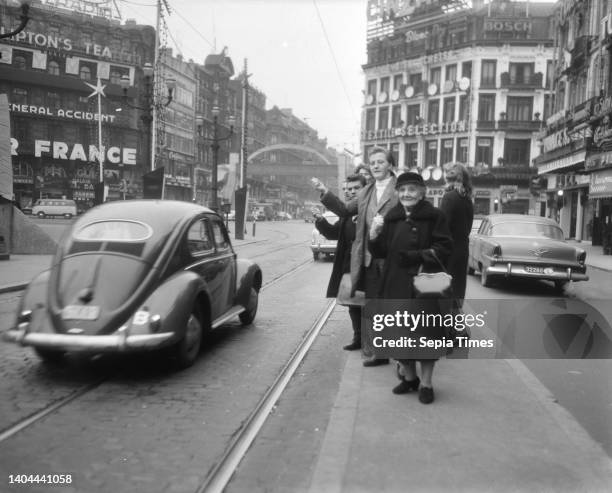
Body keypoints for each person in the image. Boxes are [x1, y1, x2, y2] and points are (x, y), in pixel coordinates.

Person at [369, 172, 453, 404]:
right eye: (403, 189)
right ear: (397, 192)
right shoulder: (391, 217)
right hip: (395, 282)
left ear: (422, 192)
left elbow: (445, 247)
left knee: (424, 336)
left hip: (425, 282)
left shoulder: (435, 216)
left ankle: (426, 384)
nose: (407, 194)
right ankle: (410, 378)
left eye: (412, 189)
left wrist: (416, 256)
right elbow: (381, 252)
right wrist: (374, 237)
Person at [312, 146, 398, 367]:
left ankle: (402, 356)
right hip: (367, 257)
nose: (376, 165)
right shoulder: (367, 191)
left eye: (381, 161)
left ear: (390, 165)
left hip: (392, 255)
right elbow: (344, 210)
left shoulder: (400, 189)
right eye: (373, 162)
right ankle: (379, 352)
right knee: (371, 306)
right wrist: (324, 192)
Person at [312, 173, 366, 350]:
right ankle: (358, 338)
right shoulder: (347, 214)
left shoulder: (370, 210)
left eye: (355, 188)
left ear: (365, 189)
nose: (350, 192)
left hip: (366, 266)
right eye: (348, 189)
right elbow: (333, 234)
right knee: (353, 303)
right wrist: (320, 221)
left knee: (368, 304)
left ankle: (371, 341)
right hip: (348, 265)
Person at [439, 162, 474, 310]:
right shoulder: (467, 199)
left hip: (448, 254)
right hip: (462, 252)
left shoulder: (449, 197)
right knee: (457, 294)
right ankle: (455, 327)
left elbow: (442, 228)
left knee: (444, 296)